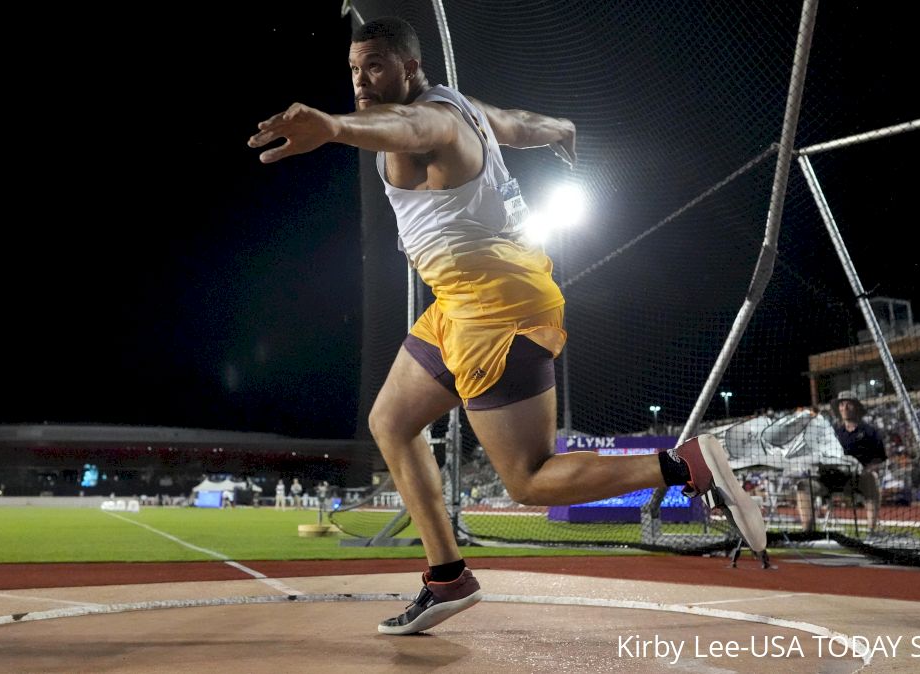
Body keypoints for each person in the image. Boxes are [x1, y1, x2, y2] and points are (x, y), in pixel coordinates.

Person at [249, 16, 765, 635]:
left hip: (497, 306)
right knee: (390, 421)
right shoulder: (461, 105)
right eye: (355, 70)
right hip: (459, 303)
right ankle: (447, 578)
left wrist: (333, 128)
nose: (361, 81)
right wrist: (560, 129)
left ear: (411, 69)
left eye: (376, 68)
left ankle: (685, 465)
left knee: (528, 479)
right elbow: (515, 122)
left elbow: (406, 126)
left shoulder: (430, 121)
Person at [797, 390, 886, 532]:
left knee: (871, 478)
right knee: (803, 485)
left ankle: (871, 531)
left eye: (848, 404)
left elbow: (879, 459)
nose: (844, 407)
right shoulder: (832, 432)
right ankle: (808, 531)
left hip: (855, 481)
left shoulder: (869, 432)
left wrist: (866, 469)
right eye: (841, 404)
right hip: (828, 480)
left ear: (856, 407)